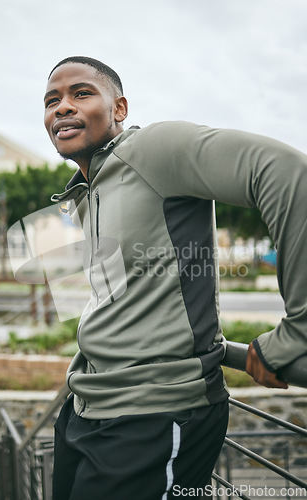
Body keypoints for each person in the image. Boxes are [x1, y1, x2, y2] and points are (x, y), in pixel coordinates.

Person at [44, 56, 306, 499]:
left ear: (119, 109)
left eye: (81, 93)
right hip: (86, 407)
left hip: (155, 416)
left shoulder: (152, 149)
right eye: (52, 101)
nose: (62, 107)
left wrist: (298, 330)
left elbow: (286, 173)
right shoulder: (87, 194)